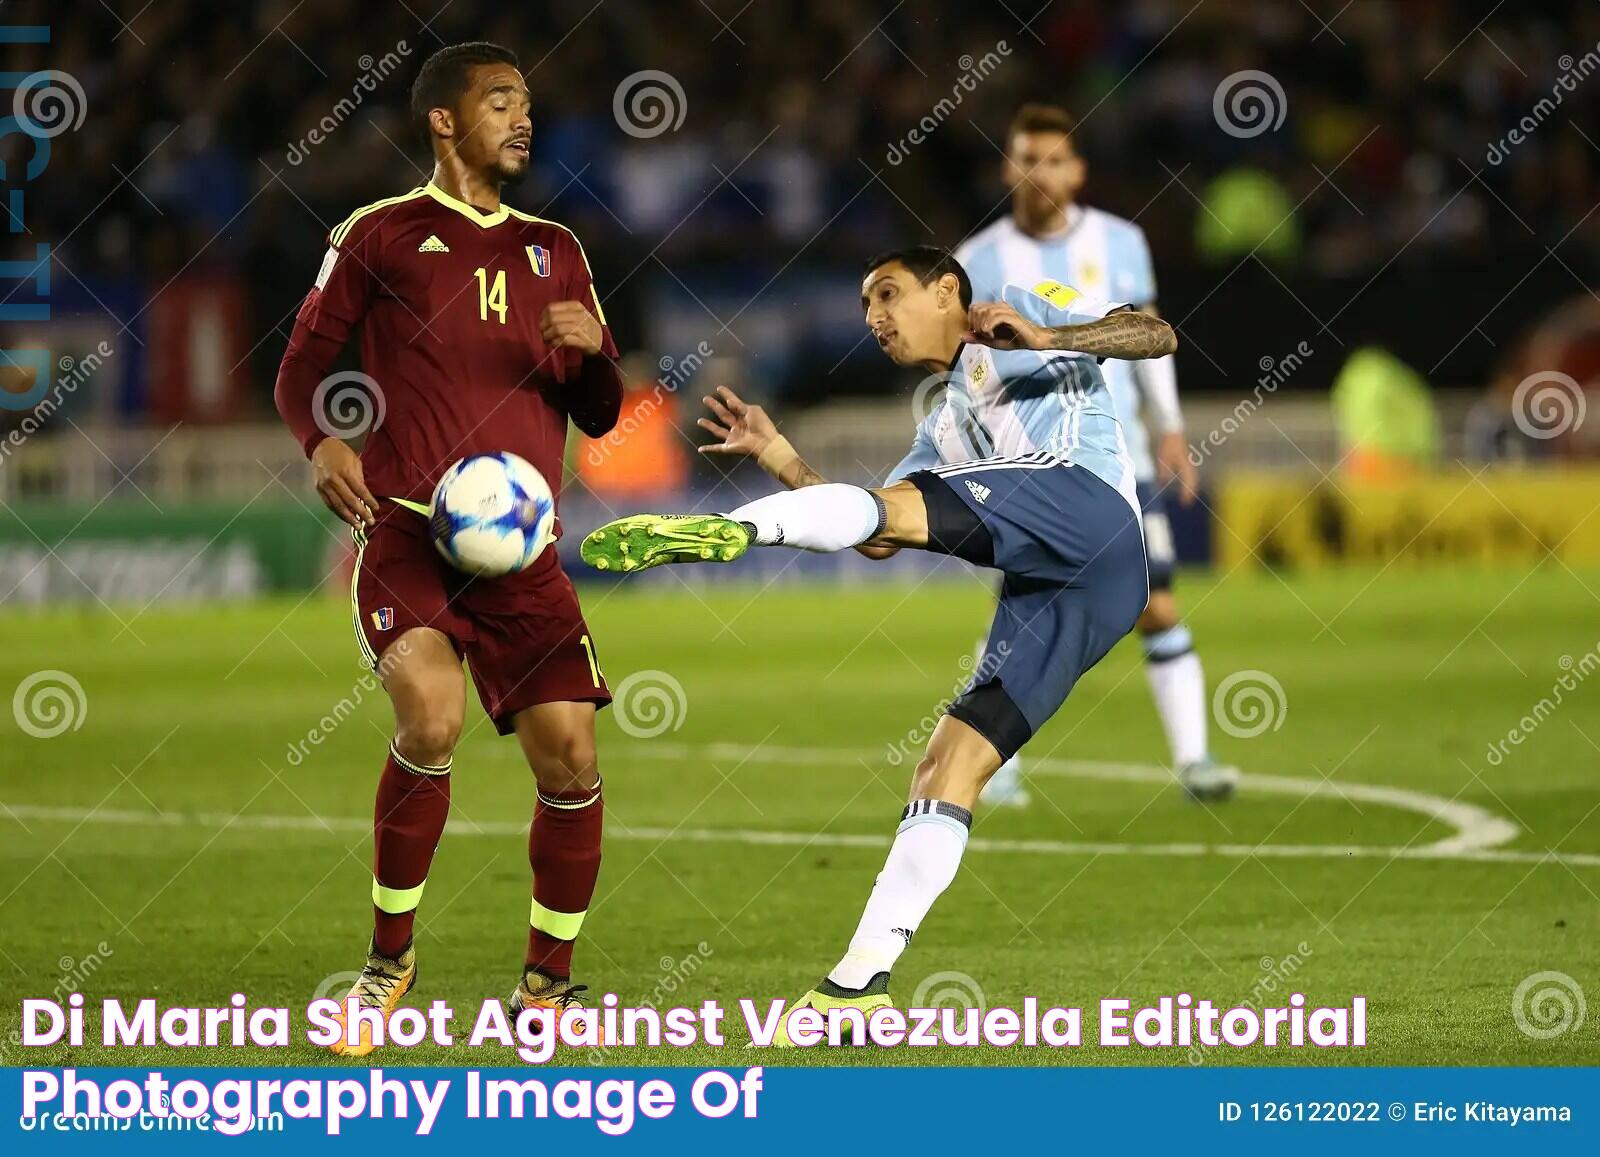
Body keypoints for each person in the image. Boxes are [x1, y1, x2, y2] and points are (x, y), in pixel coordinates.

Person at [581, 247, 1168, 1035]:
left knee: (894, 505)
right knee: (948, 760)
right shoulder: (942, 425)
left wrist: (1043, 331)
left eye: (888, 294)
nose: (874, 318)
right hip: (1076, 586)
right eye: (865, 308)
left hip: (1087, 504)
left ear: (948, 290)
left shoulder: (1022, 303)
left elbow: (1152, 333)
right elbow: (878, 535)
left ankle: (729, 532)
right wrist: (780, 458)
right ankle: (856, 989)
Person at [273, 42, 622, 1055]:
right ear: (442, 120)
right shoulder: (379, 234)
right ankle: (387, 964)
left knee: (573, 762)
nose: (522, 119)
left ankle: (546, 982)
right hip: (409, 532)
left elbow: (595, 412)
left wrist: (597, 354)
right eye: (501, 101)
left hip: (526, 556)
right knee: (431, 718)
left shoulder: (556, 246)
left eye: (527, 103)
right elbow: (300, 364)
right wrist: (321, 439)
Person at [958, 103, 1238, 804]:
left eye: (1053, 159)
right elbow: (967, 365)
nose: (1039, 173)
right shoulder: (978, 259)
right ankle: (994, 763)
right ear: (1007, 167)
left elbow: (1146, 339)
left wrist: (1170, 427)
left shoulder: (1121, 242)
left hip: (1121, 453)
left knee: (1157, 601)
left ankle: (1196, 760)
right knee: (1023, 606)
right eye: (1026, 158)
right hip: (1031, 455)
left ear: (1077, 169)